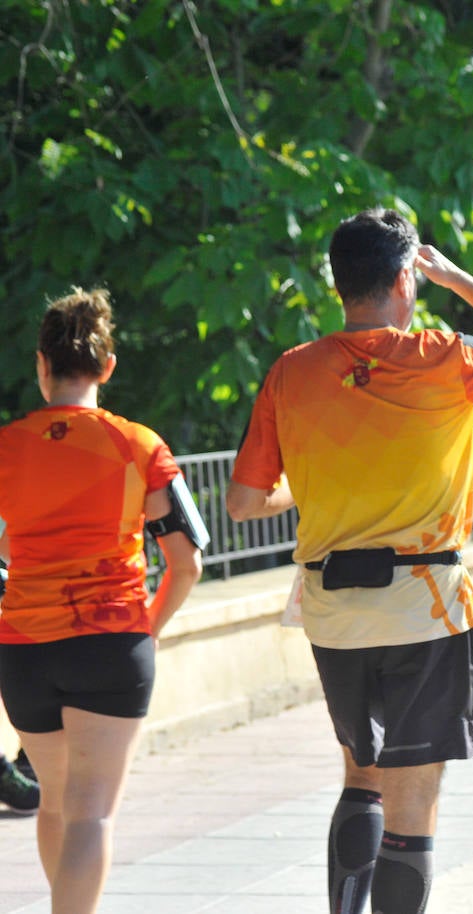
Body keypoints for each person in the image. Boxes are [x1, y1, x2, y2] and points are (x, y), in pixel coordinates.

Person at [226, 209, 473, 914]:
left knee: (362, 777)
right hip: (423, 603)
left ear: (339, 284)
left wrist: (322, 487)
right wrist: (457, 277)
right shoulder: (443, 355)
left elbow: (242, 502)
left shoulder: (291, 374)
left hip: (332, 613)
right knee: (413, 802)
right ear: (405, 277)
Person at [0, 288, 205, 914]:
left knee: (55, 802)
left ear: (41, 365)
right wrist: (150, 628)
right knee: (91, 814)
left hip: (25, 651)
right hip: (112, 642)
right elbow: (189, 560)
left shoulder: (7, 447)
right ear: (108, 367)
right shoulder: (141, 446)